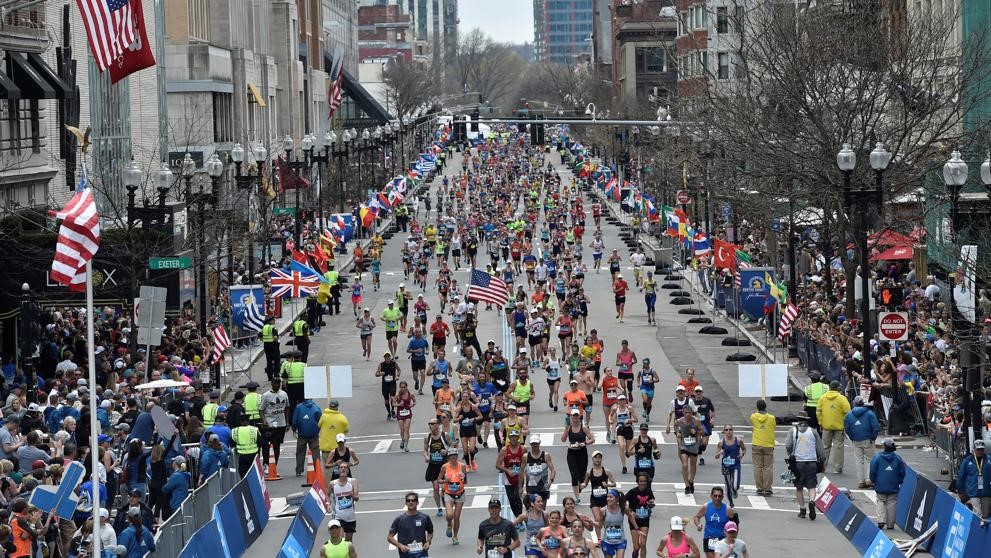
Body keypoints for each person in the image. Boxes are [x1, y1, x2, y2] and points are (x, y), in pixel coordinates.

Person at [785, 412, 824, 520]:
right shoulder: (813, 431)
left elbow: (788, 445)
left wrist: (790, 454)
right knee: (812, 486)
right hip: (811, 462)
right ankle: (812, 501)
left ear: (798, 419)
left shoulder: (792, 431)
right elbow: (820, 449)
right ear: (807, 420)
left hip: (798, 463)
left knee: (799, 487)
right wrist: (823, 460)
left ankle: (802, 509)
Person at [870, 438, 907, 530]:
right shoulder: (898, 458)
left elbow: (872, 471)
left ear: (884, 446)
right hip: (893, 484)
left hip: (880, 484)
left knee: (880, 501)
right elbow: (902, 472)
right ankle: (890, 524)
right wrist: (899, 481)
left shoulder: (877, 457)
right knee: (892, 502)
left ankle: (881, 520)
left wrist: (873, 480)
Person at [844, 396, 880, 489]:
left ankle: (861, 481)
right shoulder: (870, 413)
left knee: (858, 461)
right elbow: (875, 427)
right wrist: (873, 438)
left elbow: (847, 429)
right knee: (870, 459)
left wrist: (852, 438)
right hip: (868, 439)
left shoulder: (849, 415)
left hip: (856, 440)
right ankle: (869, 479)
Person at [816, 380, 851, 474]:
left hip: (826, 426)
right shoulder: (842, 398)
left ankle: (823, 467)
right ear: (838, 388)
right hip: (839, 426)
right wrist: (845, 423)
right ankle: (837, 468)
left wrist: (821, 422)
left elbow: (818, 411)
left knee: (825, 447)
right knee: (838, 447)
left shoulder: (823, 398)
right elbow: (848, 413)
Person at [692, 487, 737, 558]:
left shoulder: (727, 509)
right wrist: (698, 525)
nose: (717, 498)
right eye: (715, 496)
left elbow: (734, 525)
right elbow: (696, 517)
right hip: (709, 538)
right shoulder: (706, 507)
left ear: (722, 497)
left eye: (719, 496)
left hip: (723, 539)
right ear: (711, 496)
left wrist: (733, 538)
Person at [582, 450, 616, 540]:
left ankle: (608, 535)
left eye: (599, 458)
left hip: (606, 499)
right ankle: (599, 539)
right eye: (595, 458)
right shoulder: (589, 472)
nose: (597, 460)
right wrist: (582, 485)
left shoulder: (607, 471)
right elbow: (585, 483)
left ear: (601, 459)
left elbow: (614, 483)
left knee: (606, 519)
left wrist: (607, 485)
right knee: (597, 518)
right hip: (595, 499)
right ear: (592, 459)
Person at [260, 378, 290, 480]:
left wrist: (287, 421)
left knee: (277, 445)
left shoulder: (284, 394)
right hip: (269, 424)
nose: (277, 385)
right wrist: (264, 421)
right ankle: (266, 464)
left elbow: (287, 407)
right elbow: (261, 410)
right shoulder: (266, 395)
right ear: (272, 384)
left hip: (281, 424)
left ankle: (274, 465)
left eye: (278, 384)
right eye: (275, 383)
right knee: (267, 445)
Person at [388, 491, 434, 558]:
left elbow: (430, 532)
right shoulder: (399, 519)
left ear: (417, 502)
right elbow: (389, 537)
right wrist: (400, 546)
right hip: (405, 555)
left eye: (413, 500)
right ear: (406, 503)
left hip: (422, 554)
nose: (411, 502)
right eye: (408, 500)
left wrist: (428, 542)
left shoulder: (425, 517)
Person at [562, 408, 594, 502]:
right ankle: (577, 497)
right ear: (571, 417)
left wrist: (585, 443)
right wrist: (566, 429)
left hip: (582, 453)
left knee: (582, 475)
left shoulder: (583, 428)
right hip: (571, 453)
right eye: (573, 416)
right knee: (574, 474)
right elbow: (563, 439)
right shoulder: (569, 428)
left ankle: (579, 487)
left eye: (576, 415)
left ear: (579, 417)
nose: (575, 418)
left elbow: (592, 439)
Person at [956, 439, 991, 521]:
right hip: (973, 492)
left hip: (986, 492)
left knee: (986, 515)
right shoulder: (967, 461)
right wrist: (961, 491)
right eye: (978, 449)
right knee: (978, 513)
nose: (980, 451)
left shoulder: (989, 460)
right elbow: (961, 477)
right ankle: (976, 531)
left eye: (982, 449)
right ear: (974, 450)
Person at [496, 427, 526, 518]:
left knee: (517, 496)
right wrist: (507, 470)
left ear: (518, 438)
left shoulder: (523, 449)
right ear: (509, 437)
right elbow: (497, 465)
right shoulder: (504, 450)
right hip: (508, 478)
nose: (514, 439)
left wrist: (524, 472)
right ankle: (517, 516)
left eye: (515, 437)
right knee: (512, 499)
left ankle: (520, 516)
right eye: (512, 437)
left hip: (519, 477)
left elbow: (527, 463)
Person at [439, 447, 467, 544]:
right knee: (449, 514)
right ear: (448, 458)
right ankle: (449, 524)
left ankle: (455, 537)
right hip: (448, 493)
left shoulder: (462, 466)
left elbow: (466, 481)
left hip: (460, 493)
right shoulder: (444, 467)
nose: (453, 459)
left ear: (457, 457)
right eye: (451, 457)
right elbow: (438, 480)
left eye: (455, 457)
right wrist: (444, 481)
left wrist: (463, 478)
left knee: (456, 517)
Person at [713, 425, 746, 506]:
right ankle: (731, 502)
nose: (728, 431)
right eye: (726, 430)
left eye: (730, 429)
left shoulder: (738, 441)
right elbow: (716, 456)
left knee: (734, 486)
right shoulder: (721, 442)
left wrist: (742, 454)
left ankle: (734, 491)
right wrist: (720, 453)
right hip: (726, 466)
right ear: (724, 431)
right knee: (728, 485)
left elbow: (744, 449)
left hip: (735, 465)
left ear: (733, 430)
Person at [749, 400, 776, 496]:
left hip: (756, 443)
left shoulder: (753, 416)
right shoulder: (772, 418)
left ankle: (759, 488)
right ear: (766, 406)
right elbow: (773, 427)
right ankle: (767, 488)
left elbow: (753, 418)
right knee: (767, 467)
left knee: (757, 467)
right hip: (768, 444)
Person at [424, 419, 450, 517]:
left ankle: (444, 496)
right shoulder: (427, 437)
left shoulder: (444, 435)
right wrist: (426, 457)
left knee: (443, 488)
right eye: (429, 423)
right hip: (433, 465)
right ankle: (439, 508)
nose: (430, 425)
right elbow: (425, 450)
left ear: (438, 425)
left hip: (444, 465)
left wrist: (446, 451)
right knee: (435, 488)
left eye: (432, 423)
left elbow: (452, 445)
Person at [625, 473, 655, 558]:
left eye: (645, 481)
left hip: (645, 519)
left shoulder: (649, 491)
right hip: (634, 521)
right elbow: (622, 501)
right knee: (636, 547)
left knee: (643, 544)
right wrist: (630, 511)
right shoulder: (632, 492)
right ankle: (635, 553)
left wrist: (651, 504)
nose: (643, 483)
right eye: (641, 481)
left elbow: (652, 501)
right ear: (637, 482)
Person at [601, 489, 637, 558]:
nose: (608, 499)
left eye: (611, 497)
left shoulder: (623, 508)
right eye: (607, 497)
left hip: (620, 541)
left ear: (617, 499)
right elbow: (599, 525)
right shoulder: (603, 510)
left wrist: (637, 528)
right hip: (607, 541)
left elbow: (630, 516)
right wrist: (591, 522)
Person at [675, 406, 703, 494]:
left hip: (694, 445)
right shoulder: (679, 421)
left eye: (689, 413)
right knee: (685, 465)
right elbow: (675, 426)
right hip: (684, 445)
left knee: (693, 465)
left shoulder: (696, 421)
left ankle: (691, 481)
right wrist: (678, 433)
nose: (688, 414)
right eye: (686, 413)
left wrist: (696, 432)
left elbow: (702, 432)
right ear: (683, 413)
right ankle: (687, 485)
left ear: (692, 413)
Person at [292, 397, 322, 477]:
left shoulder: (298, 407)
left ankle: (299, 470)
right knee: (315, 452)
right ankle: (317, 469)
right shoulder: (316, 408)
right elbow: (320, 420)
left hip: (302, 434)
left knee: (300, 452)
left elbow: (295, 420)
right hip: (314, 434)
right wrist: (317, 430)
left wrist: (294, 430)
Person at [610, 394, 639, 474]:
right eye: (620, 400)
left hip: (629, 429)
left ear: (625, 400)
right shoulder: (615, 409)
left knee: (628, 451)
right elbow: (610, 416)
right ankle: (624, 466)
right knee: (621, 446)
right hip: (620, 429)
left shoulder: (629, 408)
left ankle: (635, 451)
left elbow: (636, 419)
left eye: (623, 400)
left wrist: (629, 420)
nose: (622, 402)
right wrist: (611, 421)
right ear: (618, 401)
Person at [332, 463, 359, 541]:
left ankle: (351, 553)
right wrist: (328, 504)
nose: (343, 469)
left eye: (345, 467)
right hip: (338, 516)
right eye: (341, 467)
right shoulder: (333, 484)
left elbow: (357, 498)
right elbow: (328, 495)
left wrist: (352, 496)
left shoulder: (353, 481)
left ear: (347, 470)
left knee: (348, 542)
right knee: (341, 540)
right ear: (338, 470)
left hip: (350, 517)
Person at [319, 400, 350, 468]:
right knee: (340, 467)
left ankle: (328, 479)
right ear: (337, 407)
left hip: (326, 448)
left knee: (328, 468)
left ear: (329, 407)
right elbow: (346, 430)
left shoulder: (323, 417)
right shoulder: (342, 418)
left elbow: (319, 425)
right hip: (339, 448)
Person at [376, 352, 402, 420]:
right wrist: (380, 374)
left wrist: (397, 376)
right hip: (385, 385)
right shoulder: (381, 364)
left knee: (392, 397)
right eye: (386, 356)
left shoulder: (394, 363)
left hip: (392, 383)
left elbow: (399, 370)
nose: (387, 358)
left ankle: (393, 410)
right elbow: (376, 374)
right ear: (384, 357)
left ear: (390, 357)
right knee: (386, 400)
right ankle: (389, 413)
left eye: (388, 356)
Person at [394, 381, 416, 451]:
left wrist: (412, 405)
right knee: (402, 429)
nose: (403, 388)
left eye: (404, 387)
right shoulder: (397, 395)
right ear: (400, 387)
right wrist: (399, 405)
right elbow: (393, 404)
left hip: (408, 413)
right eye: (401, 387)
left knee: (406, 429)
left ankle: (406, 446)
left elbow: (415, 401)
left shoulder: (410, 394)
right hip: (400, 413)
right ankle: (403, 440)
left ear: (407, 387)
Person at [260, 316, 280, 383]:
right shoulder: (273, 328)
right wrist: (277, 342)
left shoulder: (263, 328)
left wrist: (265, 340)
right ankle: (276, 375)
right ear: (270, 321)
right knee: (276, 361)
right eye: (273, 320)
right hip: (273, 345)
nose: (274, 321)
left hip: (266, 346)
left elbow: (260, 337)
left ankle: (270, 377)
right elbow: (275, 337)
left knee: (269, 362)